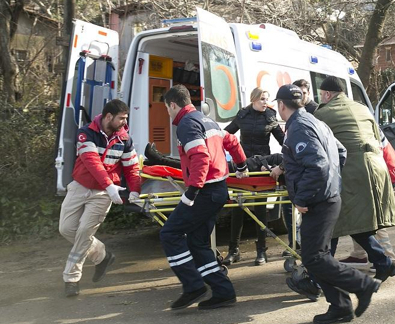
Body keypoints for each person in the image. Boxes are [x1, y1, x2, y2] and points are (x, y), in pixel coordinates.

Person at [275, 84, 381, 324]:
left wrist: (302, 198)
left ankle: (362, 285)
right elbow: (340, 152)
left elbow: (318, 165)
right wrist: (332, 182)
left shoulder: (299, 128)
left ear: (281, 105)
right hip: (327, 197)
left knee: (314, 258)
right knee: (316, 257)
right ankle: (341, 306)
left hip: (318, 201)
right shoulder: (315, 122)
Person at [160, 85, 248, 310]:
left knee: (169, 233)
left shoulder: (187, 124)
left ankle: (192, 285)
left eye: (167, 109)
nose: (168, 114)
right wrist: (241, 165)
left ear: (173, 104)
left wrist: (191, 191)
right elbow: (232, 141)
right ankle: (223, 292)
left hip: (204, 191)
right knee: (197, 242)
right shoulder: (206, 120)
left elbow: (200, 157)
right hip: (218, 190)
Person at [314, 76, 395, 282]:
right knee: (358, 222)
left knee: (334, 219)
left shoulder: (323, 113)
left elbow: (319, 147)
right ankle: (383, 263)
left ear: (326, 94)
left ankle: (321, 274)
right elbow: (378, 139)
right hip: (377, 168)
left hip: (352, 170)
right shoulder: (363, 109)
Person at [59, 99, 141, 297]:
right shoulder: (85, 133)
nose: (124, 122)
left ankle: (72, 278)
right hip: (81, 186)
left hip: (103, 194)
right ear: (108, 117)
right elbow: (92, 162)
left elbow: (132, 167)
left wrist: (135, 191)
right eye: (121, 118)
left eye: (126, 118)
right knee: (66, 229)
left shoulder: (124, 139)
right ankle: (102, 255)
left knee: (84, 232)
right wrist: (110, 187)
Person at [223, 87, 285, 266]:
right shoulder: (242, 115)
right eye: (263, 99)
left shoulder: (270, 116)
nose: (266, 102)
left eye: (267, 99)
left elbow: (283, 140)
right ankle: (233, 250)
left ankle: (261, 250)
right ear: (253, 99)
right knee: (237, 208)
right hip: (242, 166)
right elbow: (227, 134)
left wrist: (285, 160)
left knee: (261, 209)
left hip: (261, 166)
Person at [340, 129, 395, 267]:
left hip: (382, 171)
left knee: (374, 217)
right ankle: (359, 254)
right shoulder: (361, 121)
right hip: (380, 168)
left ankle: (388, 258)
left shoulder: (361, 126)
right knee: (358, 214)